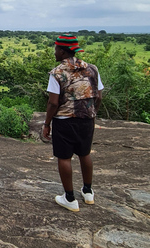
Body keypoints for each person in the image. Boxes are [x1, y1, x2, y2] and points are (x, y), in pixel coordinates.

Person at [42, 34, 104, 212]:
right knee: (85, 154)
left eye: (56, 49)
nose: (54, 52)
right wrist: (93, 112)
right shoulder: (92, 69)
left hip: (64, 120)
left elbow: (53, 102)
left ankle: (69, 198)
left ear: (62, 51)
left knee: (64, 157)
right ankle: (88, 191)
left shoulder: (58, 72)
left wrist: (47, 123)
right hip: (87, 119)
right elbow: (98, 96)